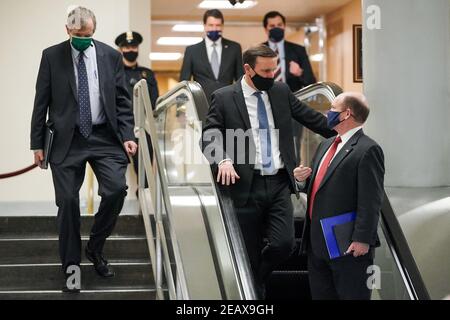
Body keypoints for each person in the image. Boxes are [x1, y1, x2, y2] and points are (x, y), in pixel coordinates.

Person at [201, 45, 335, 298]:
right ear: (248, 69)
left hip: (278, 183)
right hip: (243, 186)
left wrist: (345, 129)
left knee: (283, 245)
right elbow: (209, 136)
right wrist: (223, 160)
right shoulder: (224, 97)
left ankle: (257, 280)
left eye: (274, 69)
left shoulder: (281, 91)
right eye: (265, 71)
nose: (271, 75)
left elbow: (312, 119)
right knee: (249, 252)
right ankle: (255, 293)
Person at [30, 7, 137, 293]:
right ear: (67, 30)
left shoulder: (111, 56)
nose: (82, 39)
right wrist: (36, 143)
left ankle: (96, 247)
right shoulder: (52, 56)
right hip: (67, 139)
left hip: (105, 137)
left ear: (94, 30)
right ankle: (71, 267)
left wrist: (127, 134)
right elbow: (41, 102)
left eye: (87, 35)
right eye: (77, 35)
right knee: (67, 202)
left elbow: (122, 101)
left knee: (115, 190)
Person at [294, 92, 385, 300]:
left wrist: (362, 239)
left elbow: (370, 200)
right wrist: (301, 181)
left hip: (347, 245)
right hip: (316, 243)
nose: (328, 113)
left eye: (333, 109)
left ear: (346, 114)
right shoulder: (326, 144)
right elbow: (320, 187)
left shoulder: (368, 149)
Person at [262, 11, 317, 164]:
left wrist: (299, 73)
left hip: (292, 107)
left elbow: (311, 81)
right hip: (266, 106)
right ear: (266, 29)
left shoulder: (298, 50)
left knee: (292, 148)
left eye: (279, 25)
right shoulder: (259, 52)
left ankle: (292, 182)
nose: (276, 28)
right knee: (267, 147)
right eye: (272, 26)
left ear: (285, 26)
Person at [115, 31, 158, 191]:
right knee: (114, 175)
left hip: (142, 127)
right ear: (120, 49)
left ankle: (145, 209)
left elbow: (154, 102)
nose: (130, 50)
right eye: (126, 47)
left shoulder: (147, 74)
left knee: (145, 174)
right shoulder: (114, 72)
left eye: (133, 46)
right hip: (119, 128)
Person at [180, 9, 244, 104]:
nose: (214, 29)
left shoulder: (234, 48)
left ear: (222, 26)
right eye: (211, 25)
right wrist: (182, 109)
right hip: (201, 104)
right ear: (205, 26)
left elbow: (240, 78)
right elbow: (184, 82)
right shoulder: (192, 51)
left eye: (218, 25)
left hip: (228, 103)